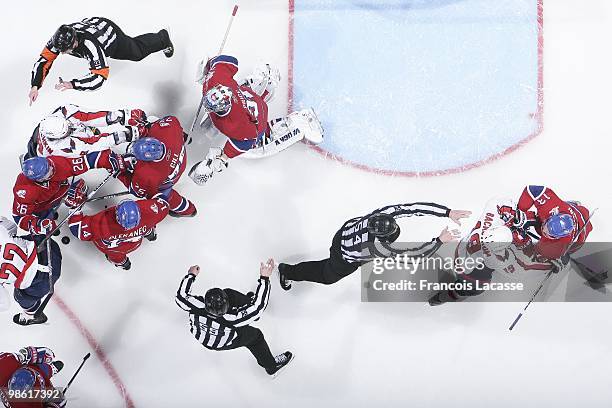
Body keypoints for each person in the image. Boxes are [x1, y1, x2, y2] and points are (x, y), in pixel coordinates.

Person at [188, 55, 323, 185]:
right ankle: (265, 83)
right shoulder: (216, 81)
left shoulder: (233, 125)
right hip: (248, 98)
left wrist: (224, 157)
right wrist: (211, 65)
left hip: (257, 115)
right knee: (238, 90)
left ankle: (299, 122)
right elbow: (232, 61)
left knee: (256, 144)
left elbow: (250, 139)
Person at [278, 202, 471, 289]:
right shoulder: (376, 248)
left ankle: (308, 267)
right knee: (327, 276)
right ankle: (289, 271)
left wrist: (447, 212)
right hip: (345, 255)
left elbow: (413, 208)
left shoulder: (382, 213)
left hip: (345, 231)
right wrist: (438, 242)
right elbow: (413, 256)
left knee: (329, 263)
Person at [175, 259, 294, 377]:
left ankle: (248, 307)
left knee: (228, 293)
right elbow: (258, 308)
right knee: (256, 337)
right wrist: (264, 278)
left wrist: (191, 275)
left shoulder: (194, 305)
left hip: (202, 332)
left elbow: (181, 296)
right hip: (222, 341)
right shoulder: (232, 319)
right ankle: (271, 366)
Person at [428, 199, 552, 306]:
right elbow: (521, 269)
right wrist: (549, 264)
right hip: (469, 274)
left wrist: (517, 216)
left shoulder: (489, 225)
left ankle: (449, 294)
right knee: (471, 290)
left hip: (462, 252)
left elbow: (496, 202)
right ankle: (442, 298)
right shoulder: (497, 259)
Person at [29, 17, 173, 101]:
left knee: (136, 53)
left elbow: (99, 77)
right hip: (93, 24)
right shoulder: (58, 41)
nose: (62, 53)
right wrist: (35, 85)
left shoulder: (90, 46)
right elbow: (44, 60)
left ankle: (162, 39)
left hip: (109, 35)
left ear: (74, 42)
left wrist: (73, 84)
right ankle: (160, 39)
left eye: (65, 50)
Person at [12, 152, 128, 238]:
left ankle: (57, 208)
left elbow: (87, 161)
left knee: (76, 195)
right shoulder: (25, 192)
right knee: (46, 221)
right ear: (38, 179)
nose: (53, 170)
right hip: (40, 207)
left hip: (60, 192)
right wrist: (37, 225)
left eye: (50, 166)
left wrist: (108, 159)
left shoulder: (56, 164)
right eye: (48, 172)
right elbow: (19, 217)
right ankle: (49, 218)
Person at [115, 116, 197, 217]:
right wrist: (181, 137)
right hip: (181, 158)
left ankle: (187, 210)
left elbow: (136, 191)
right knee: (153, 120)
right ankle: (189, 210)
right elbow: (171, 125)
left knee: (163, 194)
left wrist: (119, 172)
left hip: (168, 179)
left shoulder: (148, 175)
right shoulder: (169, 126)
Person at [68, 196, 169, 270]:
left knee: (116, 257)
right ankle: (149, 233)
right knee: (147, 222)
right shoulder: (150, 210)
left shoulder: (103, 224)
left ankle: (123, 264)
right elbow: (164, 201)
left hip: (116, 250)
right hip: (136, 241)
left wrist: (74, 206)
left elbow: (78, 229)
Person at [499, 185, 592, 265]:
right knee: (535, 218)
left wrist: (523, 240)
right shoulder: (552, 206)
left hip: (579, 234)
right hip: (573, 209)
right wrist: (519, 211)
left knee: (547, 254)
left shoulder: (558, 245)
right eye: (548, 225)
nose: (545, 230)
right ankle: (573, 205)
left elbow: (532, 255)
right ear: (554, 215)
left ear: (556, 237)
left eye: (549, 233)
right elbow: (532, 190)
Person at [0, 217, 62, 326]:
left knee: (19, 295)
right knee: (18, 239)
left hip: (47, 278)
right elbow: (11, 226)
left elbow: (5, 304)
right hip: (48, 245)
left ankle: (31, 314)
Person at [26, 104, 147, 159]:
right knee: (89, 138)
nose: (70, 128)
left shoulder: (64, 111)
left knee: (85, 126)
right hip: (46, 157)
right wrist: (125, 136)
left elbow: (89, 116)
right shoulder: (60, 148)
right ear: (58, 138)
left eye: (67, 126)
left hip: (38, 138)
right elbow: (93, 144)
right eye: (66, 132)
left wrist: (120, 115)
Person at [0, 346, 66, 407]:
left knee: (39, 370)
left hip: (35, 375)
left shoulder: (4, 367)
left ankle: (50, 369)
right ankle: (50, 370)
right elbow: (61, 401)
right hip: (39, 392)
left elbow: (23, 355)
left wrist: (30, 354)